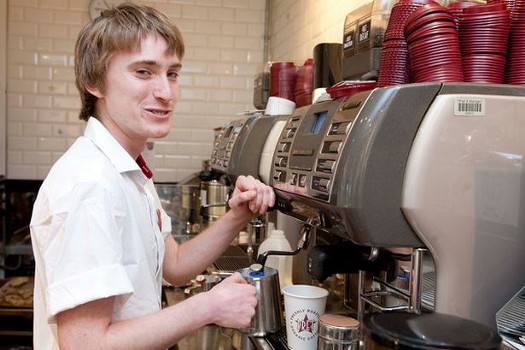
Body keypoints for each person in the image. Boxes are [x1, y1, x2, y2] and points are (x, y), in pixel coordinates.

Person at [29, 3, 275, 350]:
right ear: (93, 83)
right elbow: (85, 344)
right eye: (144, 71)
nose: (166, 92)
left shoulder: (128, 172)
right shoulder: (89, 185)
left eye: (172, 73)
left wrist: (238, 216)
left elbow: (173, 266)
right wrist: (207, 306)